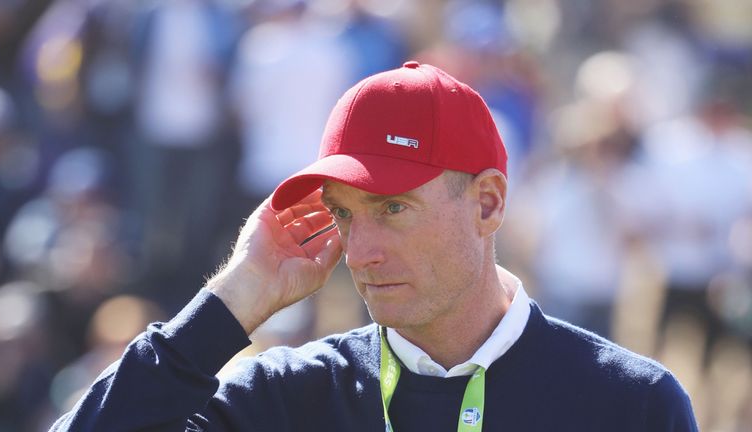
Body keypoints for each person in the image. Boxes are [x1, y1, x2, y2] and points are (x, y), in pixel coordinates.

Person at [50, 61, 698, 431]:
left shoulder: (631, 403)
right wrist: (237, 294)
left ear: (489, 203)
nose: (359, 253)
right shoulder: (282, 396)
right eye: (343, 215)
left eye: (393, 209)